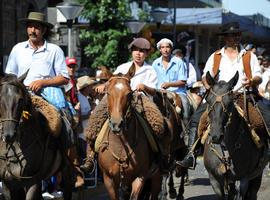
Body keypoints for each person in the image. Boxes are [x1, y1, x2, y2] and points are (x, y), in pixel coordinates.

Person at [5, 12, 84, 187]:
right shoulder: (17, 49)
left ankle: (72, 166)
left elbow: (64, 78)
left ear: (43, 30)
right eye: (30, 26)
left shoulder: (54, 50)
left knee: (64, 121)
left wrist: (42, 82)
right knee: (5, 119)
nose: (33, 30)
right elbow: (10, 75)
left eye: (37, 27)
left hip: (47, 94)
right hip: (20, 95)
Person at [178, 21, 263, 169]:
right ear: (225, 38)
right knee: (197, 119)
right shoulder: (216, 56)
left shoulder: (249, 56)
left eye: (238, 34)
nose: (236, 37)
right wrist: (207, 86)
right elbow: (205, 76)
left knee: (265, 118)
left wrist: (251, 81)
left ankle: (265, 152)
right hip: (218, 99)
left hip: (243, 96)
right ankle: (191, 154)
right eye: (232, 35)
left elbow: (258, 76)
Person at [81, 37, 158, 173]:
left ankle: (160, 155)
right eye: (136, 50)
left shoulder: (150, 70)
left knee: (157, 123)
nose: (138, 53)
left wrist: (144, 87)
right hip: (117, 99)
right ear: (132, 52)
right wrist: (103, 85)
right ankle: (90, 157)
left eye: (142, 51)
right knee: (96, 117)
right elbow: (112, 82)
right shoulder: (122, 67)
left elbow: (154, 91)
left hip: (140, 100)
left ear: (146, 54)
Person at [150, 38, 190, 125]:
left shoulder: (179, 62)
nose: (165, 49)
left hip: (178, 93)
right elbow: (152, 81)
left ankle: (186, 130)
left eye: (167, 47)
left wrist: (169, 84)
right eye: (163, 47)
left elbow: (183, 82)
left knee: (186, 105)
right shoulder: (155, 63)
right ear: (160, 49)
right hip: (160, 92)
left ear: (171, 48)